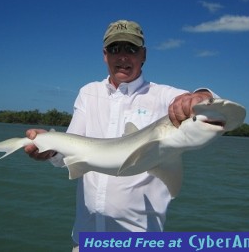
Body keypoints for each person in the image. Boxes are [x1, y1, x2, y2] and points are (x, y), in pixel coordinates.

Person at [25, 20, 215, 251]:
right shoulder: (88, 92)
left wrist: (201, 95)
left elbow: (212, 106)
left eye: (131, 49)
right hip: (85, 238)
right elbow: (67, 156)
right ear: (105, 55)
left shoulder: (163, 96)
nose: (123, 56)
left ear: (143, 54)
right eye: (115, 49)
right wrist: (49, 149)